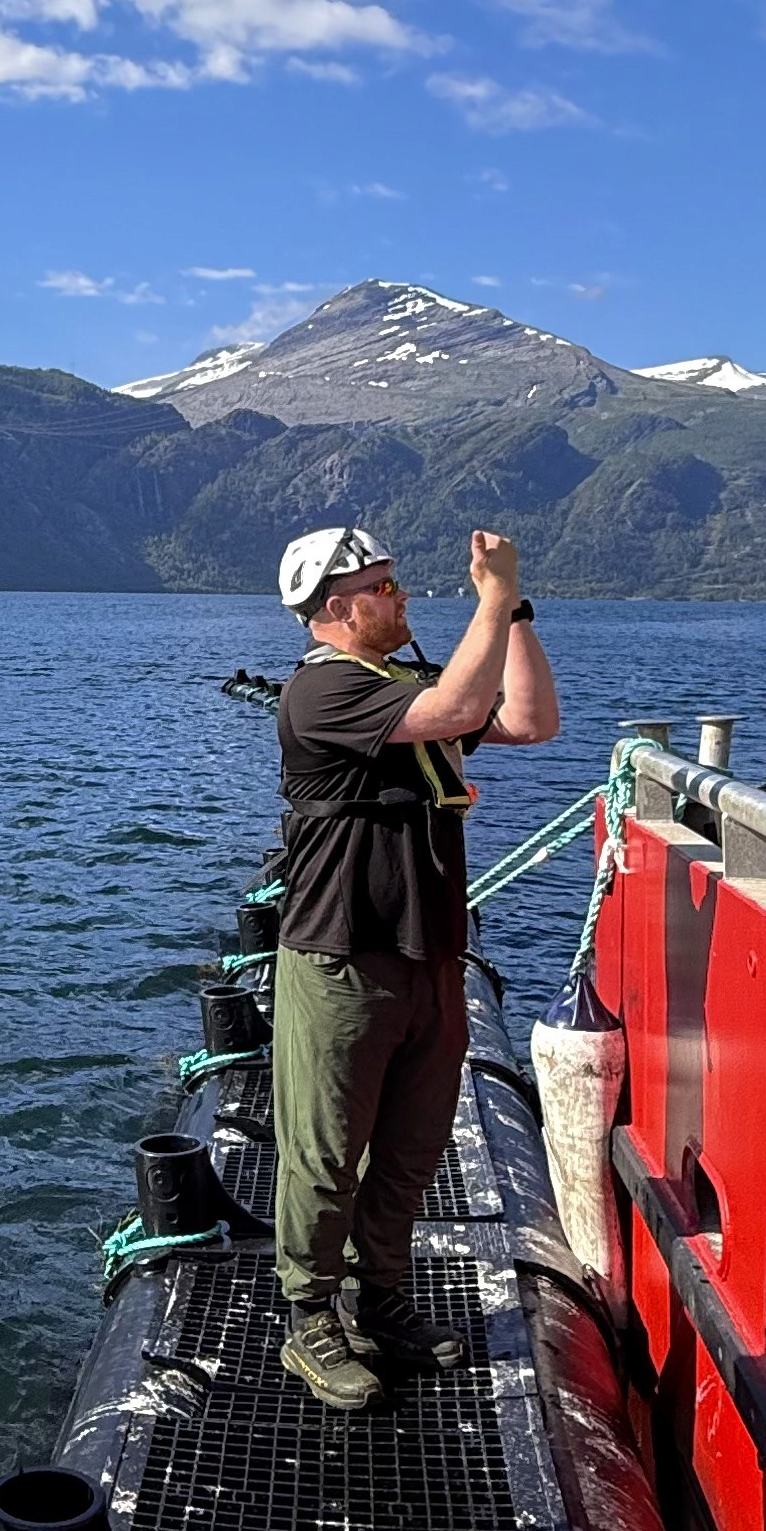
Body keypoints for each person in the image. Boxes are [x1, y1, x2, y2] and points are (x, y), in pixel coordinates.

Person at [265, 523, 560, 1408]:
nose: (400, 599)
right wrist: (490, 599)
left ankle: (382, 1297)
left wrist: (513, 613)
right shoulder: (320, 694)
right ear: (335, 608)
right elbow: (460, 714)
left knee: (410, 1147)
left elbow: (532, 720)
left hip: (430, 953)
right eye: (383, 588)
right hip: (343, 954)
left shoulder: (404, 681)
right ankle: (310, 1319)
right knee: (325, 1152)